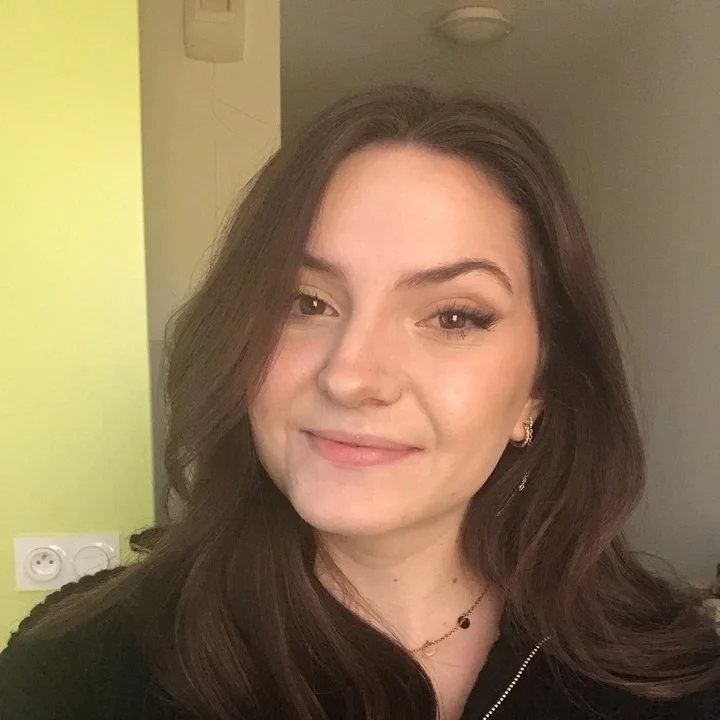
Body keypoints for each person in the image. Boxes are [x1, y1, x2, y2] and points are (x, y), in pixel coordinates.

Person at [1, 85, 718, 720]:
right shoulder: (80, 669)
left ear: (540, 386)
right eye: (305, 302)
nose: (350, 376)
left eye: (453, 316)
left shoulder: (677, 680)